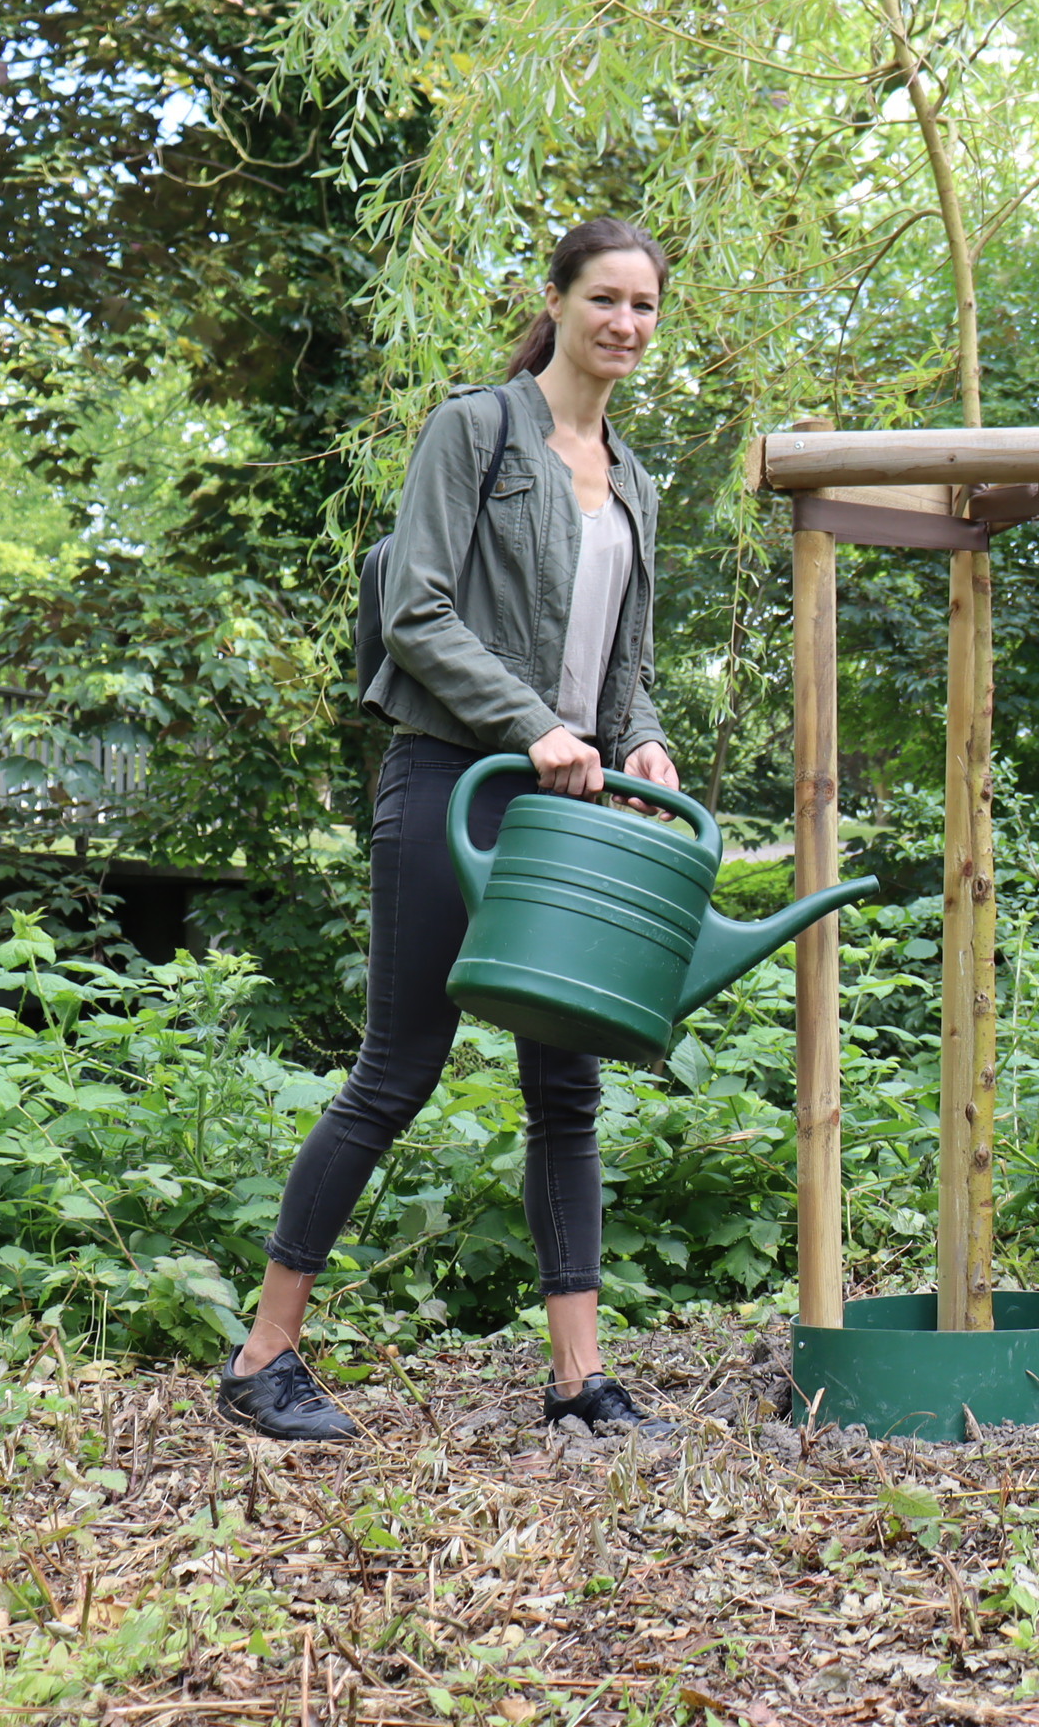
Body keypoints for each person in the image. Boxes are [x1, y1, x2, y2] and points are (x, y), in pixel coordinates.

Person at [215, 217, 686, 1443]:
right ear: (560, 300)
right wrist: (533, 722)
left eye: (644, 305)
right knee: (396, 1070)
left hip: (564, 805)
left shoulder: (633, 480)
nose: (625, 324)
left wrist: (638, 735)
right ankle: (263, 1355)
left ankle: (579, 1379)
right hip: (448, 783)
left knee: (566, 1085)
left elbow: (624, 665)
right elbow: (415, 609)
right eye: (605, 299)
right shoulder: (475, 431)